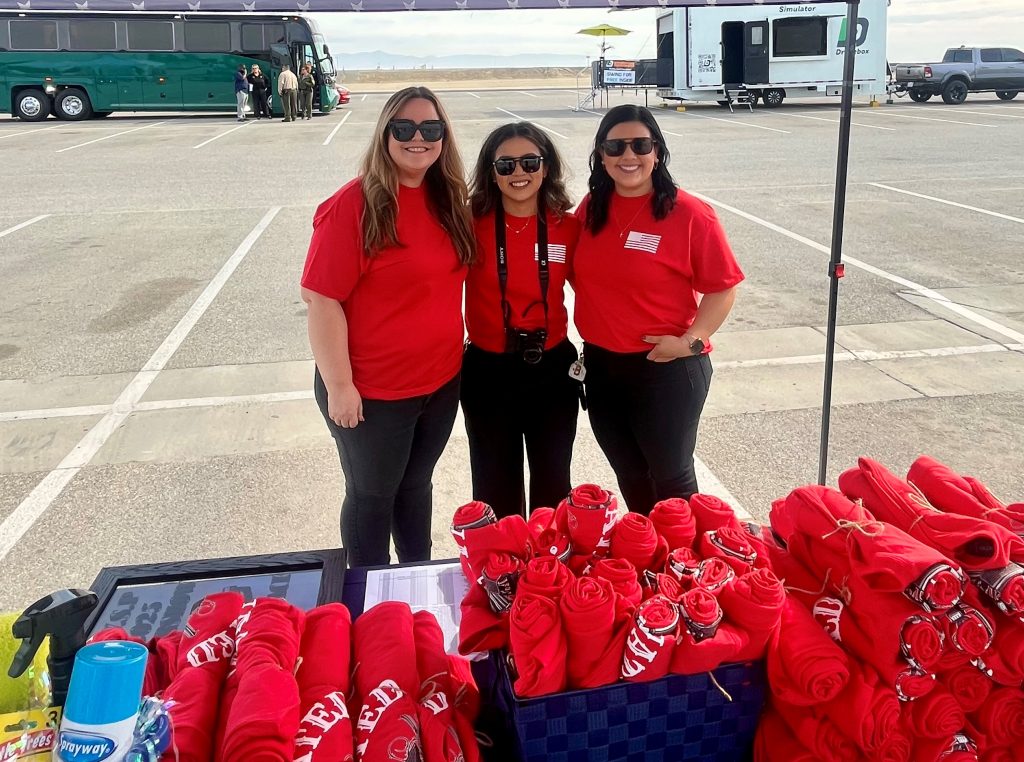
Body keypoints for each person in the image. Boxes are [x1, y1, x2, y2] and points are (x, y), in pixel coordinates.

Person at [301, 87, 476, 566]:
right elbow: (321, 299)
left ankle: (415, 578)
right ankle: (369, 600)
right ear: (385, 134)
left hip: (438, 383)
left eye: (430, 129)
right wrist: (340, 386)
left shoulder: (448, 200)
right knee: (373, 496)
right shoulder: (355, 204)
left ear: (444, 137)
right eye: (404, 127)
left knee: (416, 486)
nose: (417, 138)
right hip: (371, 392)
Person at [573, 104, 744, 516]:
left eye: (640, 144)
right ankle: (647, 556)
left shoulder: (689, 213)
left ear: (657, 151)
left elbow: (723, 289)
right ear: (600, 154)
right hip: (602, 368)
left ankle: (685, 568)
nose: (628, 155)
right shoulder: (591, 209)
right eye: (615, 146)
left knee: (671, 478)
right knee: (631, 474)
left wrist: (690, 342)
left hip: (665, 367)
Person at [463, 122, 581, 519]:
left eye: (530, 162)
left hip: (551, 368)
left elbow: (605, 290)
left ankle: (548, 575)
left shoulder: (568, 227)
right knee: (494, 489)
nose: (519, 173)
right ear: (490, 172)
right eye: (506, 165)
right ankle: (502, 574)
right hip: (487, 371)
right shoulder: (468, 225)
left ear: (545, 168)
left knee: (553, 485)